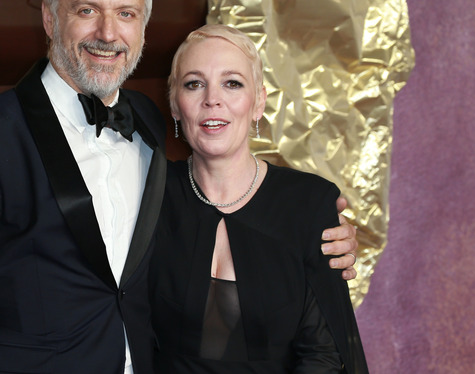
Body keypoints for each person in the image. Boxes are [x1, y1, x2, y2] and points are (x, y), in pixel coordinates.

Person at [0, 0, 358, 373]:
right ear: (49, 17)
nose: (108, 32)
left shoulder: (146, 124)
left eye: (126, 13)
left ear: (143, 26)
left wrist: (325, 242)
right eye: (86, 10)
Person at [148, 24, 368, 372]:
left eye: (232, 83)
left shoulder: (309, 203)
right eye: (194, 84)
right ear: (175, 105)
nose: (212, 99)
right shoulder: (147, 193)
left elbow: (323, 356)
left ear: (258, 103)